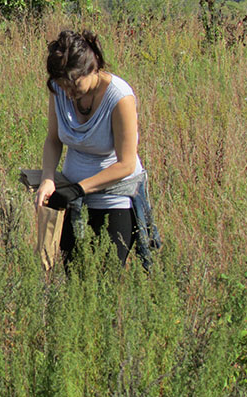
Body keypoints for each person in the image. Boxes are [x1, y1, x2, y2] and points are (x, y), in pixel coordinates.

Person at [35, 30, 160, 267]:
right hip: (72, 194)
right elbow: (53, 139)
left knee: (105, 275)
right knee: (73, 271)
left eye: (75, 84)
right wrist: (48, 179)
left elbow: (126, 164)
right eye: (63, 85)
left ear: (93, 69)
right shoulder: (58, 88)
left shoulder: (119, 97)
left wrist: (80, 189)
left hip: (114, 197)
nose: (69, 93)